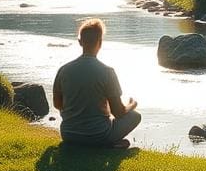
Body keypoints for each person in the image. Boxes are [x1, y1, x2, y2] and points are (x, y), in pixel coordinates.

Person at [52, 18, 141, 148]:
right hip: (99, 135)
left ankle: (108, 144)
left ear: (80, 42)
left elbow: (57, 104)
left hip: (69, 135)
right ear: (100, 42)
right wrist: (132, 105)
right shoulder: (107, 72)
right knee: (135, 116)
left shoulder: (64, 70)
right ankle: (108, 144)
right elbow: (118, 112)